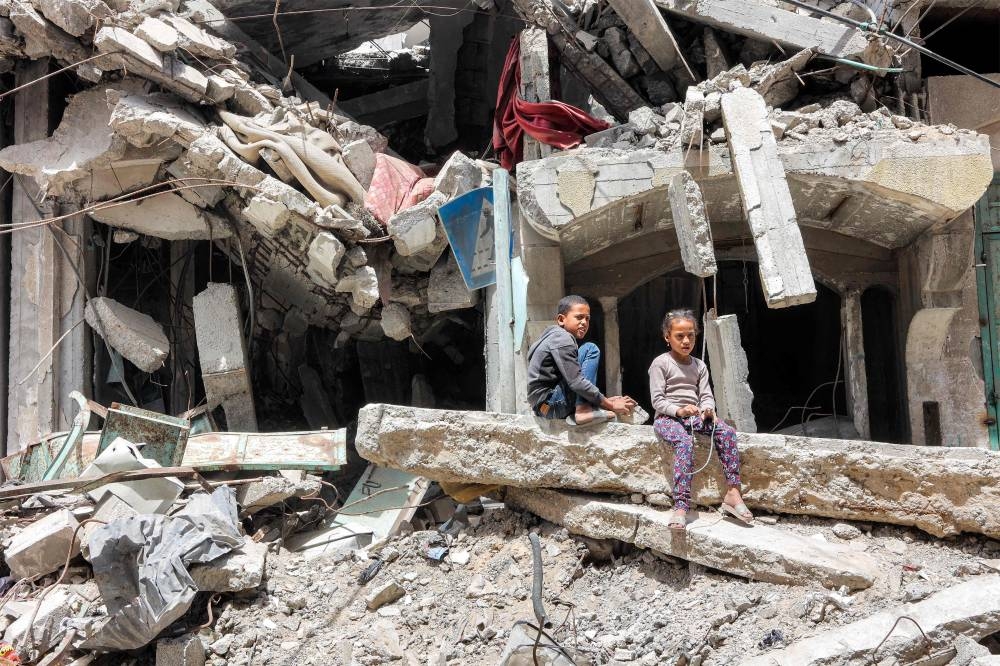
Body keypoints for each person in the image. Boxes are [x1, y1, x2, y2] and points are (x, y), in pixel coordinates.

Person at [648, 309, 752, 529]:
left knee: (726, 432)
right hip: (669, 418)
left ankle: (733, 493)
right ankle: (681, 505)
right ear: (667, 337)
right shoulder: (661, 363)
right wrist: (679, 410)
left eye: (691, 335)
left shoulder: (699, 365)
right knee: (684, 443)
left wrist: (707, 410)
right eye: (679, 336)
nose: (686, 341)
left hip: (693, 416)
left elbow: (706, 395)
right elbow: (657, 400)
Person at [527, 295, 636, 425]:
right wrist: (610, 405)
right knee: (590, 349)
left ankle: (585, 406)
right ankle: (583, 409)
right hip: (551, 405)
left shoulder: (551, 337)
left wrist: (603, 401)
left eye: (587, 318)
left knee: (584, 354)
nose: (584, 322)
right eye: (579, 317)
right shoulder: (563, 339)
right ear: (561, 319)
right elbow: (576, 382)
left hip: (543, 408)